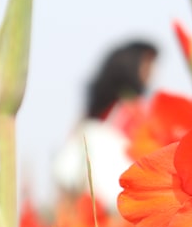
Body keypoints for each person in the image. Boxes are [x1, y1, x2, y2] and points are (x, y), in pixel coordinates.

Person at [52, 40, 158, 208]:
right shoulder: (132, 110)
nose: (152, 73)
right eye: (147, 65)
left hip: (94, 205)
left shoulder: (93, 113)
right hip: (113, 206)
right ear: (131, 65)